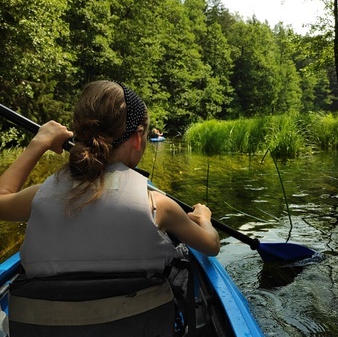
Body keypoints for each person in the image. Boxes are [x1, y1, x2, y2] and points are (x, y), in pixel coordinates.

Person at [0, 80, 220, 278]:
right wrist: (204, 219)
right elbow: (211, 245)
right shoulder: (159, 207)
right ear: (137, 138)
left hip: (42, 322)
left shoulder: (39, 195)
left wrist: (39, 143)